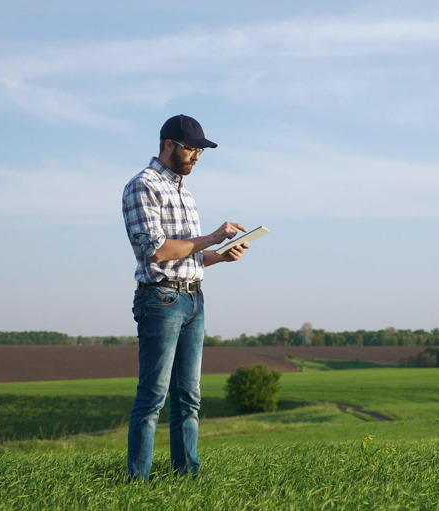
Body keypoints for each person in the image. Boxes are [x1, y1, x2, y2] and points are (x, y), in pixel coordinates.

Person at [121, 114, 250, 481]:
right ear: (168, 145)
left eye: (200, 151)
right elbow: (156, 251)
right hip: (160, 301)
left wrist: (221, 255)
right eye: (191, 148)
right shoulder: (142, 186)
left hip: (194, 300)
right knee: (153, 399)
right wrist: (212, 238)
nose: (196, 156)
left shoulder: (185, 193)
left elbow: (187, 253)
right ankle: (137, 483)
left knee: (189, 398)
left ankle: (186, 478)